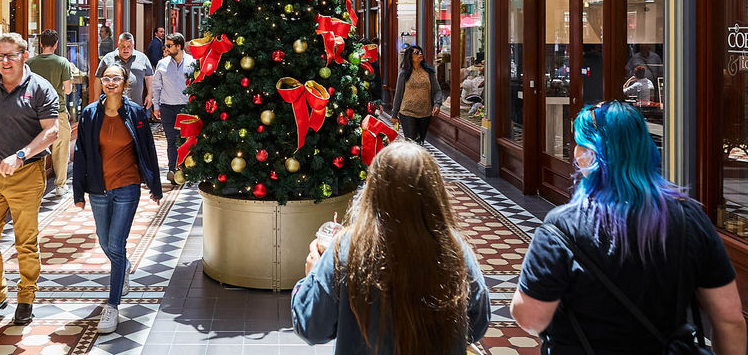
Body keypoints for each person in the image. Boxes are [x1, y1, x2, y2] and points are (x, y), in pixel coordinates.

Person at [511, 101, 746, 355]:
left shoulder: (561, 227)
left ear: (592, 154)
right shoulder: (689, 219)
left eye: (579, 143)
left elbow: (531, 318)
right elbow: (730, 322)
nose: (575, 151)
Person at [291, 141, 490, 353]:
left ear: (373, 190)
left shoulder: (347, 247)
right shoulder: (453, 247)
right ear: (434, 192)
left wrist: (311, 279)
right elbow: (477, 324)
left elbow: (313, 328)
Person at [0, 33, 59, 328]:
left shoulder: (41, 89)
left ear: (24, 55)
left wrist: (21, 154)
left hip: (27, 174)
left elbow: (52, 131)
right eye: (0, 56)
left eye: (11, 55)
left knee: (25, 242)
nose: (5, 61)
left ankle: (26, 297)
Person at [73, 62, 163, 334]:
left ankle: (112, 306)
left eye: (116, 78)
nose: (110, 82)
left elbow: (147, 149)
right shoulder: (90, 113)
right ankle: (121, 268)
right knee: (104, 239)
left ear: (126, 83)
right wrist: (78, 192)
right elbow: (81, 153)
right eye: (106, 78)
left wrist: (155, 186)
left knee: (116, 241)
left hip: (127, 186)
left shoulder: (135, 112)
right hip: (99, 188)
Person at [26, 29, 73, 196]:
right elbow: (67, 90)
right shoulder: (62, 62)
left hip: (35, 112)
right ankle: (60, 185)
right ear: (56, 44)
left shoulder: (30, 63)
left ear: (40, 44)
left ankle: (37, 186)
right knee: (60, 148)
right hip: (57, 110)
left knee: (37, 149)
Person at [151, 32, 196, 184]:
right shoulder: (162, 64)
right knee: (171, 140)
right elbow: (156, 87)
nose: (167, 49)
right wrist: (156, 106)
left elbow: (197, 85)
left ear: (179, 46)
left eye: (169, 46)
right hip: (167, 108)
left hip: (186, 107)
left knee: (186, 140)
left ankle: (187, 170)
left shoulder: (192, 62)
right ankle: (173, 169)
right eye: (166, 46)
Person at [391, 44, 443, 145]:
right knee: (411, 142)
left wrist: (437, 104)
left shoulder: (429, 72)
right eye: (416, 53)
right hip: (407, 112)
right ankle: (411, 160)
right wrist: (394, 114)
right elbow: (398, 94)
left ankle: (417, 160)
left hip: (425, 112)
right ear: (410, 56)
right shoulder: (404, 73)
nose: (420, 54)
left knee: (420, 142)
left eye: (420, 52)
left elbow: (437, 90)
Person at [95, 32, 154, 107]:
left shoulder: (142, 58)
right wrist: (96, 99)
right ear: (118, 45)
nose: (126, 49)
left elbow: (149, 77)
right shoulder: (108, 58)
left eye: (129, 46)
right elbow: (98, 79)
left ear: (133, 45)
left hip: (135, 105)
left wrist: (149, 95)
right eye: (123, 46)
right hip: (112, 106)